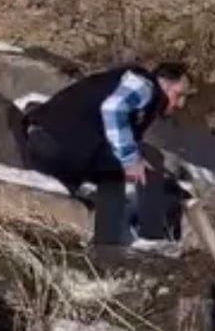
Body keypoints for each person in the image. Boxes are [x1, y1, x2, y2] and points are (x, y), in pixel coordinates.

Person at [14, 62, 191, 248]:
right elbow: (113, 109)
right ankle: (122, 243)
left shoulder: (133, 91)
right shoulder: (144, 85)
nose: (181, 104)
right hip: (57, 144)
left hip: (51, 142)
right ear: (163, 82)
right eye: (179, 95)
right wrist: (131, 159)